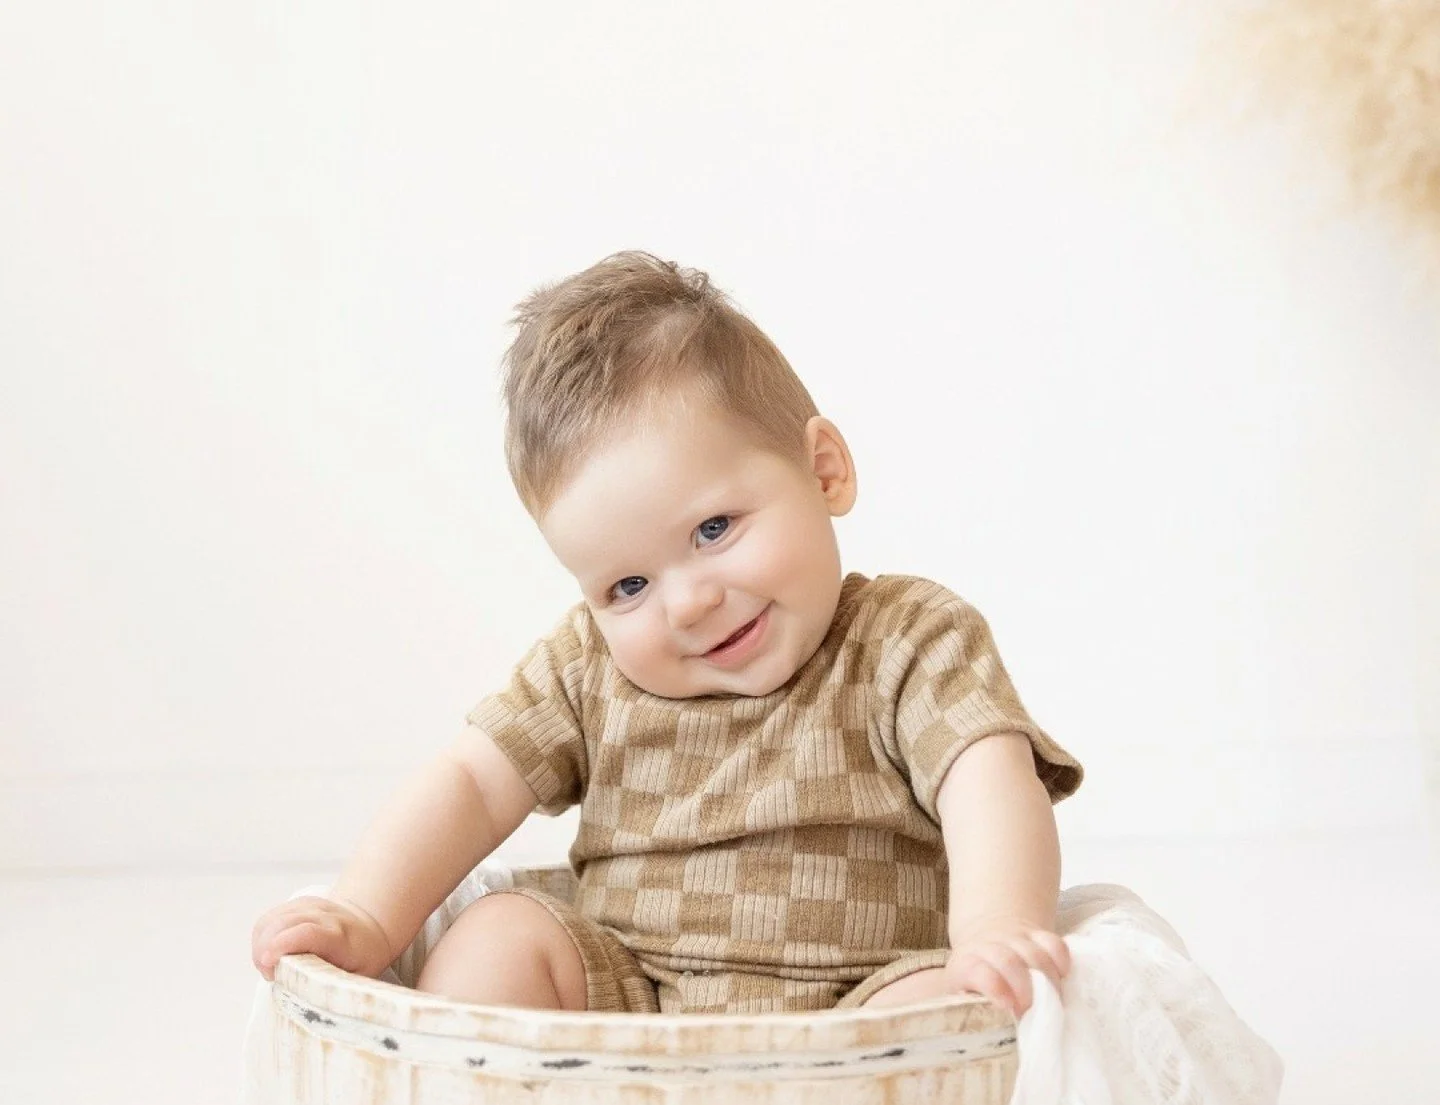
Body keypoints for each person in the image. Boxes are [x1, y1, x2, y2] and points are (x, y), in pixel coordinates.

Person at [250, 252, 1085, 1018]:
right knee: (496, 935)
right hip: (633, 1005)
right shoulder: (587, 671)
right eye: (629, 586)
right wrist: (363, 912)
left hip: (861, 1002)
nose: (685, 605)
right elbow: (471, 779)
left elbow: (985, 775)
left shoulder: (905, 639)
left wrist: (991, 931)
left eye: (715, 528)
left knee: (947, 1012)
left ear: (824, 469)